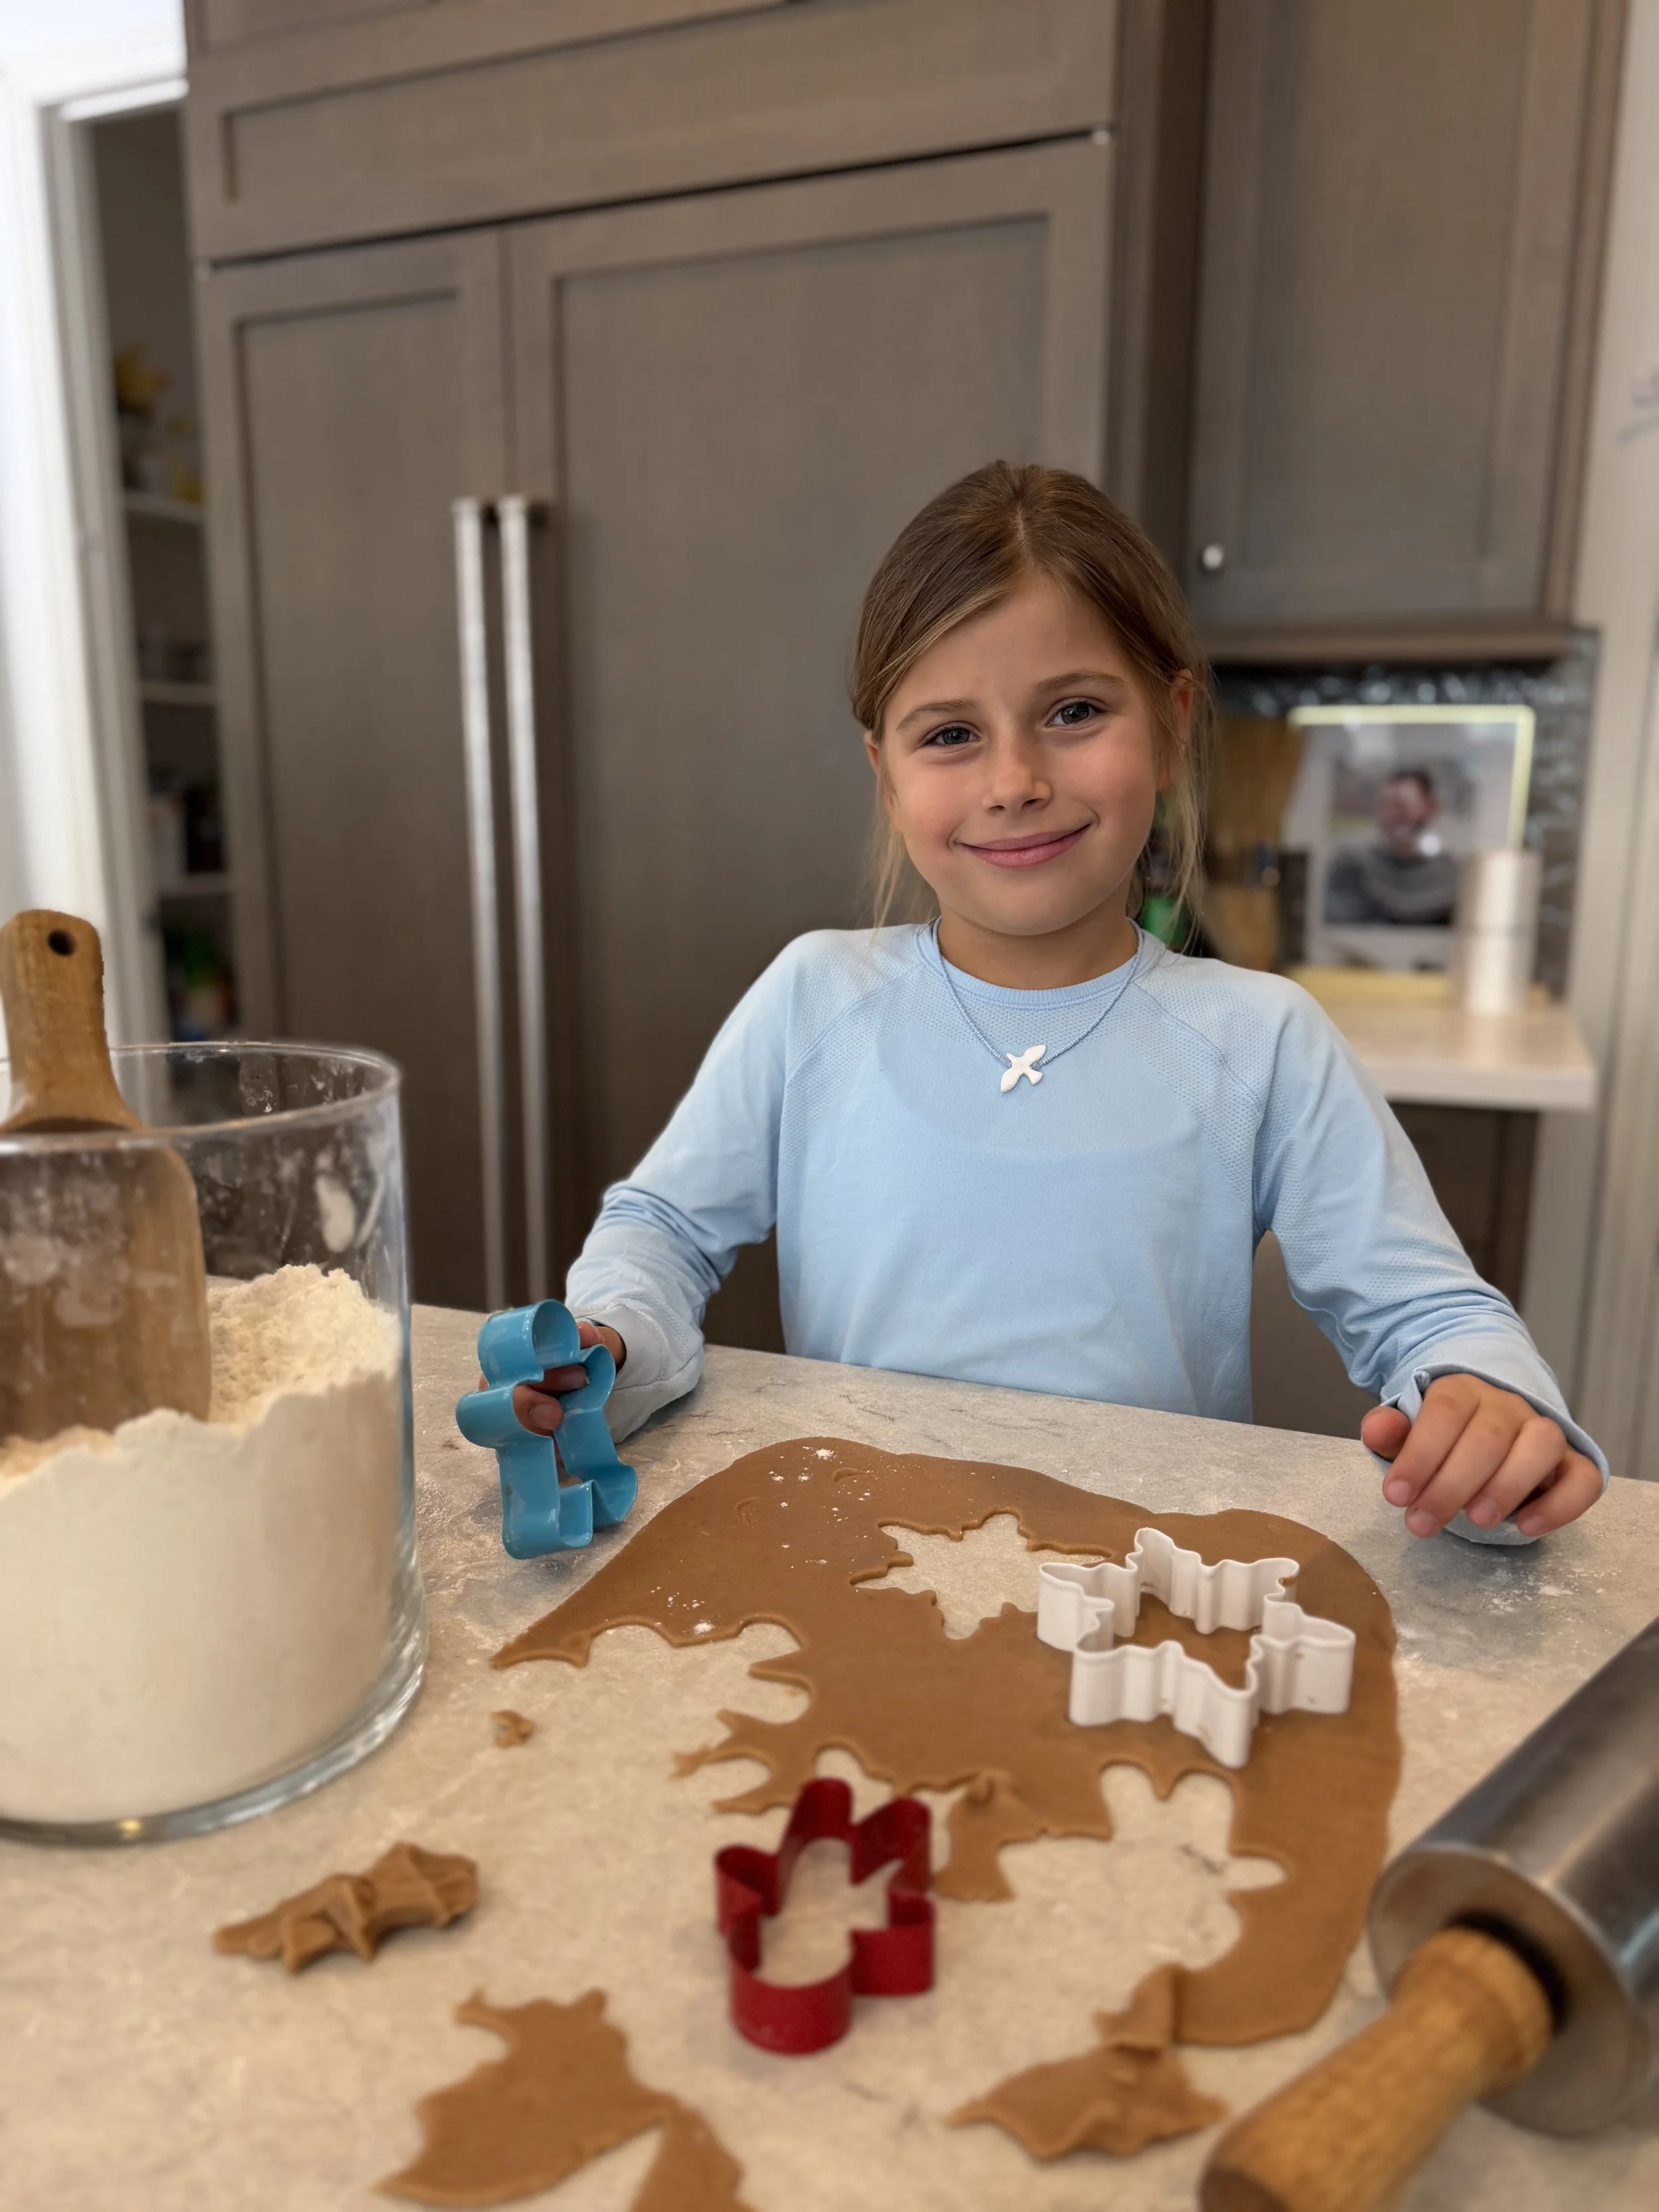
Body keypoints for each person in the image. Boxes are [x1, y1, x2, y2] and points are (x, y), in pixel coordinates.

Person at [515, 463, 1603, 1546]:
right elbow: (660, 1230)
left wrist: (1485, 1408)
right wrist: (611, 1343)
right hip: (856, 1573)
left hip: (1141, 1600)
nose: (1014, 779)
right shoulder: (813, 1000)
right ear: (886, 776)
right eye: (949, 734)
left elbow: (1427, 1313)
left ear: (1173, 722)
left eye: (1074, 711)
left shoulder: (1263, 1040)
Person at [1324, 767, 1459, 926]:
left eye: (1402, 806)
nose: (1392, 816)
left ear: (1431, 808)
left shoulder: (1452, 875)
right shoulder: (1351, 865)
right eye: (1385, 805)